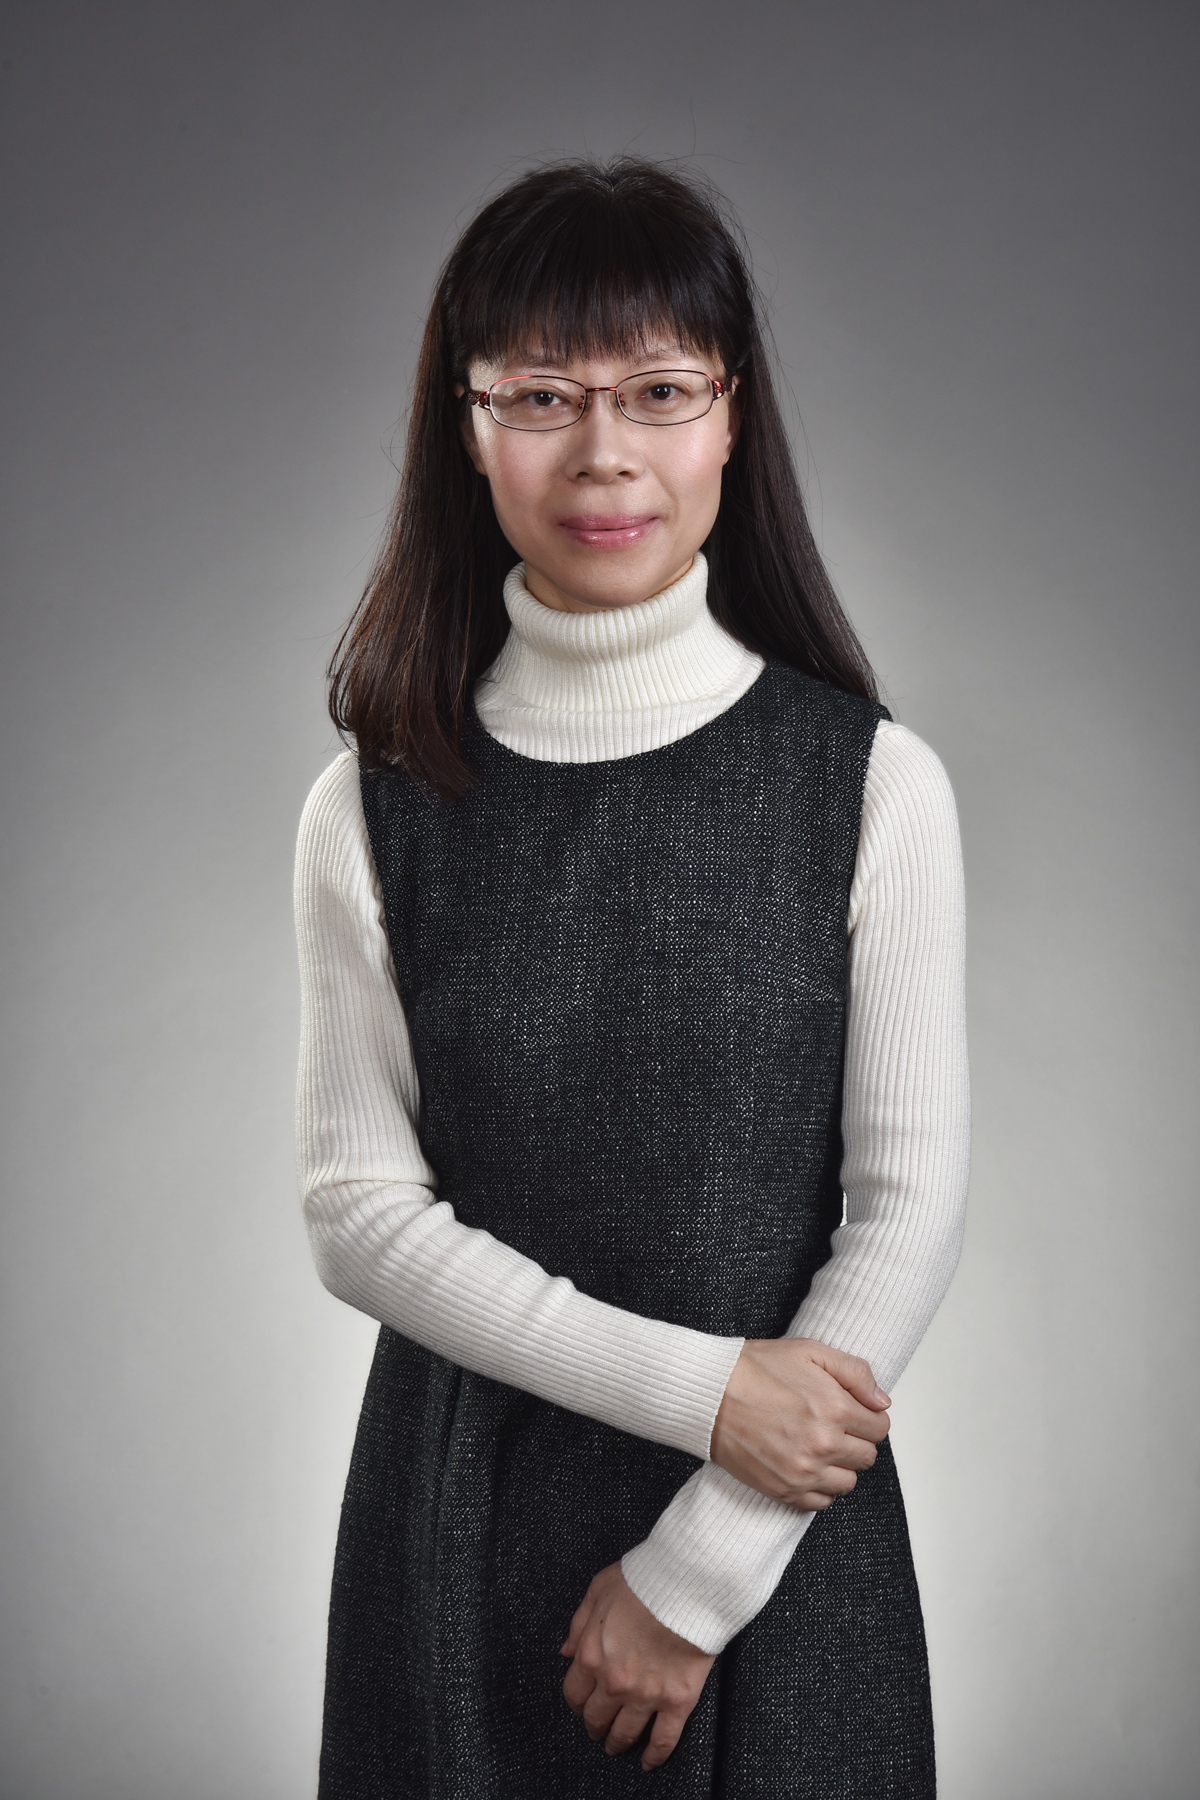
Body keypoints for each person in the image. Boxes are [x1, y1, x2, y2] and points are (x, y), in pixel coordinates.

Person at [295, 156, 969, 1798]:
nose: (604, 451)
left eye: (659, 391)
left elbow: (905, 1207)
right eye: (542, 396)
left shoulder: (871, 784)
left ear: (732, 417)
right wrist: (711, 1394)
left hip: (779, 1555)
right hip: (459, 1532)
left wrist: (700, 1571)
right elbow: (359, 1212)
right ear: (468, 428)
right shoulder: (372, 807)